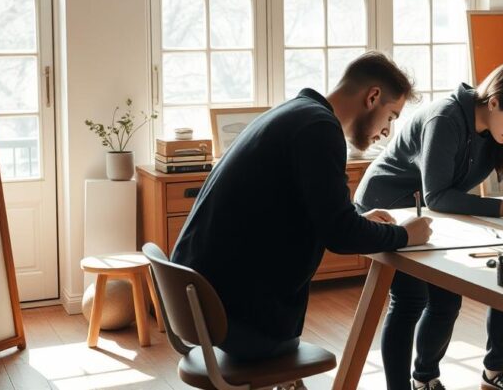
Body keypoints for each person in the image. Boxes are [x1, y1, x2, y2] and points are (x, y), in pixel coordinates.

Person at [172, 51, 434, 366]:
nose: (386, 132)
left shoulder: (297, 113)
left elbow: (315, 217)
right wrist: (404, 235)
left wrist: (356, 220)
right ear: (373, 97)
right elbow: (341, 236)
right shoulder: (320, 129)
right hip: (236, 319)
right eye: (391, 116)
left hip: (198, 302)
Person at [355, 61, 503, 390]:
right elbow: (438, 196)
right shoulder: (446, 118)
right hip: (387, 205)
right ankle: (411, 385)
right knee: (411, 301)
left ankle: (457, 376)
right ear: (494, 102)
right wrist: (502, 207)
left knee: (472, 290)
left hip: (437, 214)